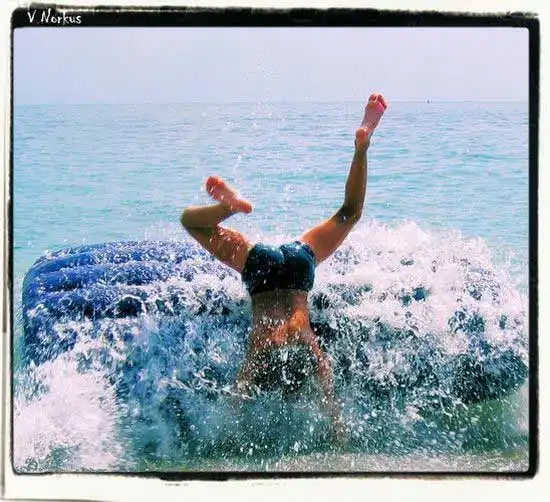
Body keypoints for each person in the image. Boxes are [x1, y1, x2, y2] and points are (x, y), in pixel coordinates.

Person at [180, 93, 387, 438]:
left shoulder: (289, 340)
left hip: (294, 263)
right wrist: (338, 432)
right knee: (191, 223)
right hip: (266, 266)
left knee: (349, 213)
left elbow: (245, 398)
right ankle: (361, 146)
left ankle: (229, 207)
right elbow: (250, 395)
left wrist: (225, 436)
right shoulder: (274, 342)